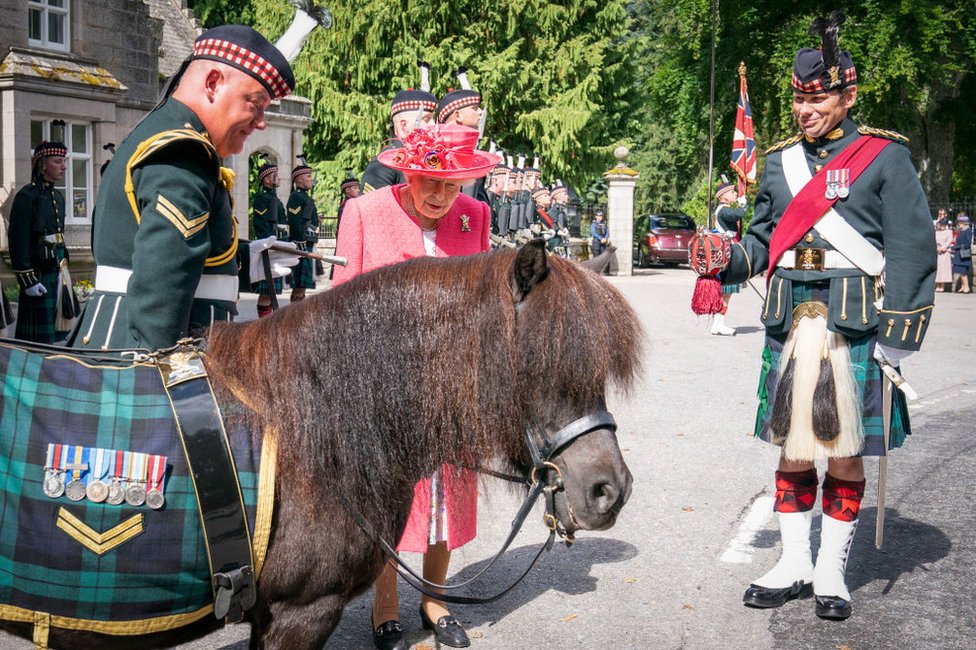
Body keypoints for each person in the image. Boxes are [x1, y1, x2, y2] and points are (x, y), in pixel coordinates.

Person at [693, 13, 935, 620]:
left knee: (845, 449)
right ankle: (793, 562)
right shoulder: (777, 164)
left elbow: (911, 247)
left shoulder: (884, 157)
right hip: (790, 323)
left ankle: (831, 570)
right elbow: (763, 243)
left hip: (852, 325)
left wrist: (898, 341)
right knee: (792, 449)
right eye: (799, 99)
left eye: (819, 97)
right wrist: (725, 261)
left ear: (847, 96)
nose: (806, 109)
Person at [333, 123, 499, 650]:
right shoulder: (364, 212)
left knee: (446, 499)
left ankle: (435, 599)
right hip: (385, 385)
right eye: (430, 182)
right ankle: (384, 607)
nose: (441, 197)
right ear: (407, 170)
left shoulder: (476, 216)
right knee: (389, 501)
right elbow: (340, 311)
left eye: (453, 185)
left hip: (453, 385)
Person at [68, 22, 316, 351]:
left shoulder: (170, 135)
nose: (261, 122)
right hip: (151, 351)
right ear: (213, 83)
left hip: (128, 336)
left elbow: (175, 253)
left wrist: (245, 258)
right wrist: (160, 378)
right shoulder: (185, 151)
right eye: (255, 104)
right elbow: (162, 284)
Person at [8, 141, 69, 343]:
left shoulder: (58, 197)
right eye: (58, 161)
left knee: (57, 334)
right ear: (43, 164)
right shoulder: (26, 197)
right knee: (36, 341)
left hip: (56, 269)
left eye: (64, 161)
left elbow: (60, 235)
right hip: (38, 271)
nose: (64, 166)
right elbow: (18, 241)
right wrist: (28, 280)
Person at [361, 70, 437, 193]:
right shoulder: (384, 164)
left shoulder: (431, 158)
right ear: (404, 125)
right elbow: (372, 209)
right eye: (427, 119)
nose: (433, 125)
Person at [251, 160, 288, 317]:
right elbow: (260, 225)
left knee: (273, 292)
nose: (279, 179)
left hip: (277, 245)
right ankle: (263, 323)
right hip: (269, 248)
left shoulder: (274, 199)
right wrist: (268, 244)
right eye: (276, 176)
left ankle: (268, 323)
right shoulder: (261, 199)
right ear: (267, 179)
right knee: (267, 293)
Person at [711, 181, 746, 335]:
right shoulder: (723, 211)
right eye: (732, 192)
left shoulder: (723, 210)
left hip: (727, 252)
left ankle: (718, 323)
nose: (735, 194)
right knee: (726, 291)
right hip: (727, 254)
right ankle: (718, 324)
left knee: (726, 292)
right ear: (724, 196)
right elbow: (738, 214)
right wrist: (743, 206)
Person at [285, 160, 319, 302]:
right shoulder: (296, 197)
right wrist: (300, 243)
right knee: (299, 285)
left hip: (308, 243)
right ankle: (294, 317)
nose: (311, 180)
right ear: (299, 180)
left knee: (303, 286)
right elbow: (295, 221)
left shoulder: (305, 197)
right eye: (308, 176)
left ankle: (297, 316)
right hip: (301, 244)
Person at [950, 214, 972, 293]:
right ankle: (963, 286)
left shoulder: (968, 230)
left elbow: (967, 244)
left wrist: (956, 247)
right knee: (959, 271)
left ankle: (967, 287)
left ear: (964, 222)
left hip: (963, 255)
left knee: (963, 273)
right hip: (959, 254)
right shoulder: (961, 231)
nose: (958, 224)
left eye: (959, 222)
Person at [934, 213, 954, 292]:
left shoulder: (949, 232)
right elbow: (934, 240)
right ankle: (937, 285)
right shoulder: (937, 232)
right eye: (941, 225)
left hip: (944, 252)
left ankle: (942, 285)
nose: (942, 226)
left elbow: (949, 241)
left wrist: (943, 248)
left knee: (943, 269)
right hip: (937, 252)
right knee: (938, 269)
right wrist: (937, 248)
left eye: (943, 225)